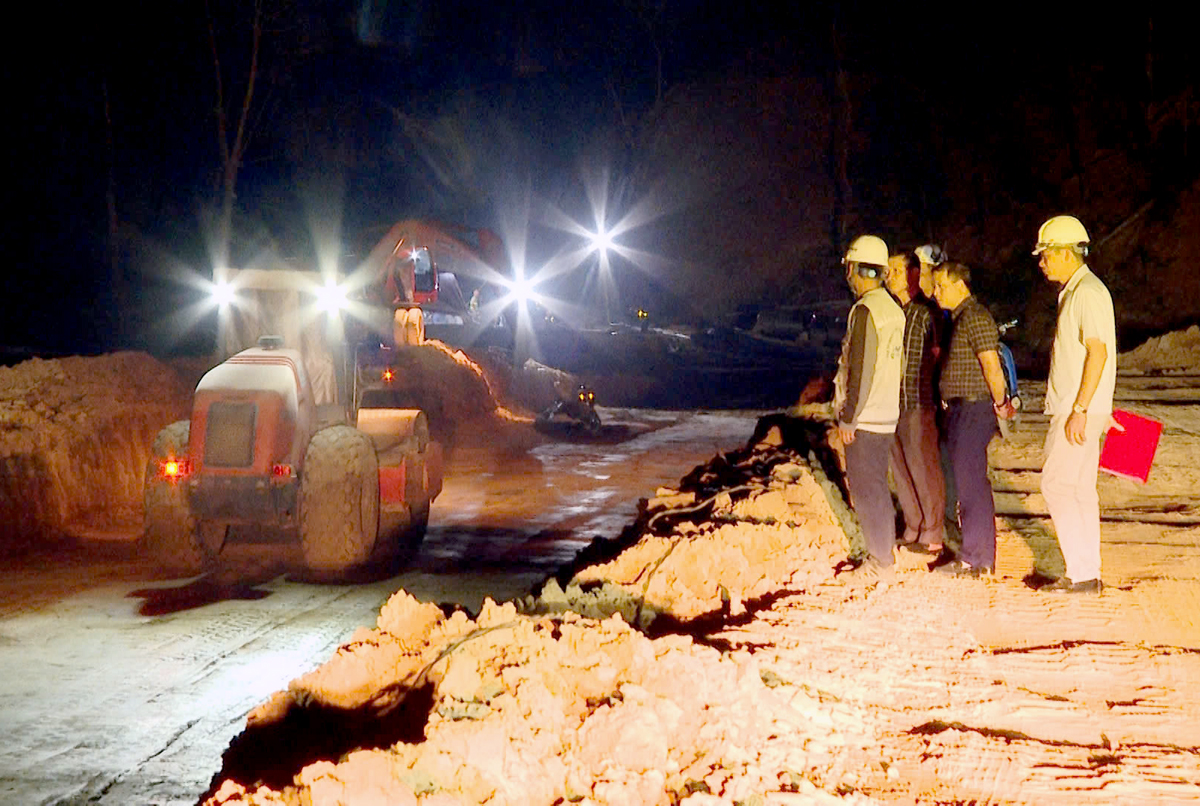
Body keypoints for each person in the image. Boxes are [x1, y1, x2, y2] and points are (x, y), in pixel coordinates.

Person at [1033, 215, 1118, 594]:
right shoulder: (1082, 291)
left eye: (1046, 254)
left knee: (1056, 484)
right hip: (1084, 407)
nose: (1042, 262)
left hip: (1076, 408)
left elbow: (1097, 354)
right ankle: (1086, 573)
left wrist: (1082, 409)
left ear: (1066, 253)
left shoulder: (1086, 293)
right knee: (1081, 489)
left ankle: (1081, 574)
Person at [930, 262, 1016, 577]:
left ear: (960, 285)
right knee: (967, 484)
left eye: (940, 285)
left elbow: (991, 366)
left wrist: (1000, 403)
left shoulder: (976, 317)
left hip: (973, 408)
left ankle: (977, 561)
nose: (935, 292)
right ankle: (975, 556)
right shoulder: (959, 318)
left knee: (972, 487)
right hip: (959, 409)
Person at [833, 235, 906, 581]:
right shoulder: (893, 308)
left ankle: (880, 562)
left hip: (866, 416)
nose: (848, 276)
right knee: (877, 486)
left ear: (859, 269)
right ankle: (884, 554)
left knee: (866, 490)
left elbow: (860, 367)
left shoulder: (865, 310)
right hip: (887, 411)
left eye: (850, 268)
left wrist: (849, 416)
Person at [884, 251, 945, 554]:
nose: (889, 276)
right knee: (901, 468)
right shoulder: (896, 311)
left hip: (918, 402)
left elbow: (935, 358)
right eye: (888, 270)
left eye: (895, 270)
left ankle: (932, 531)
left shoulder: (925, 312)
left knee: (922, 467)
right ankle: (913, 526)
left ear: (913, 273)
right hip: (893, 402)